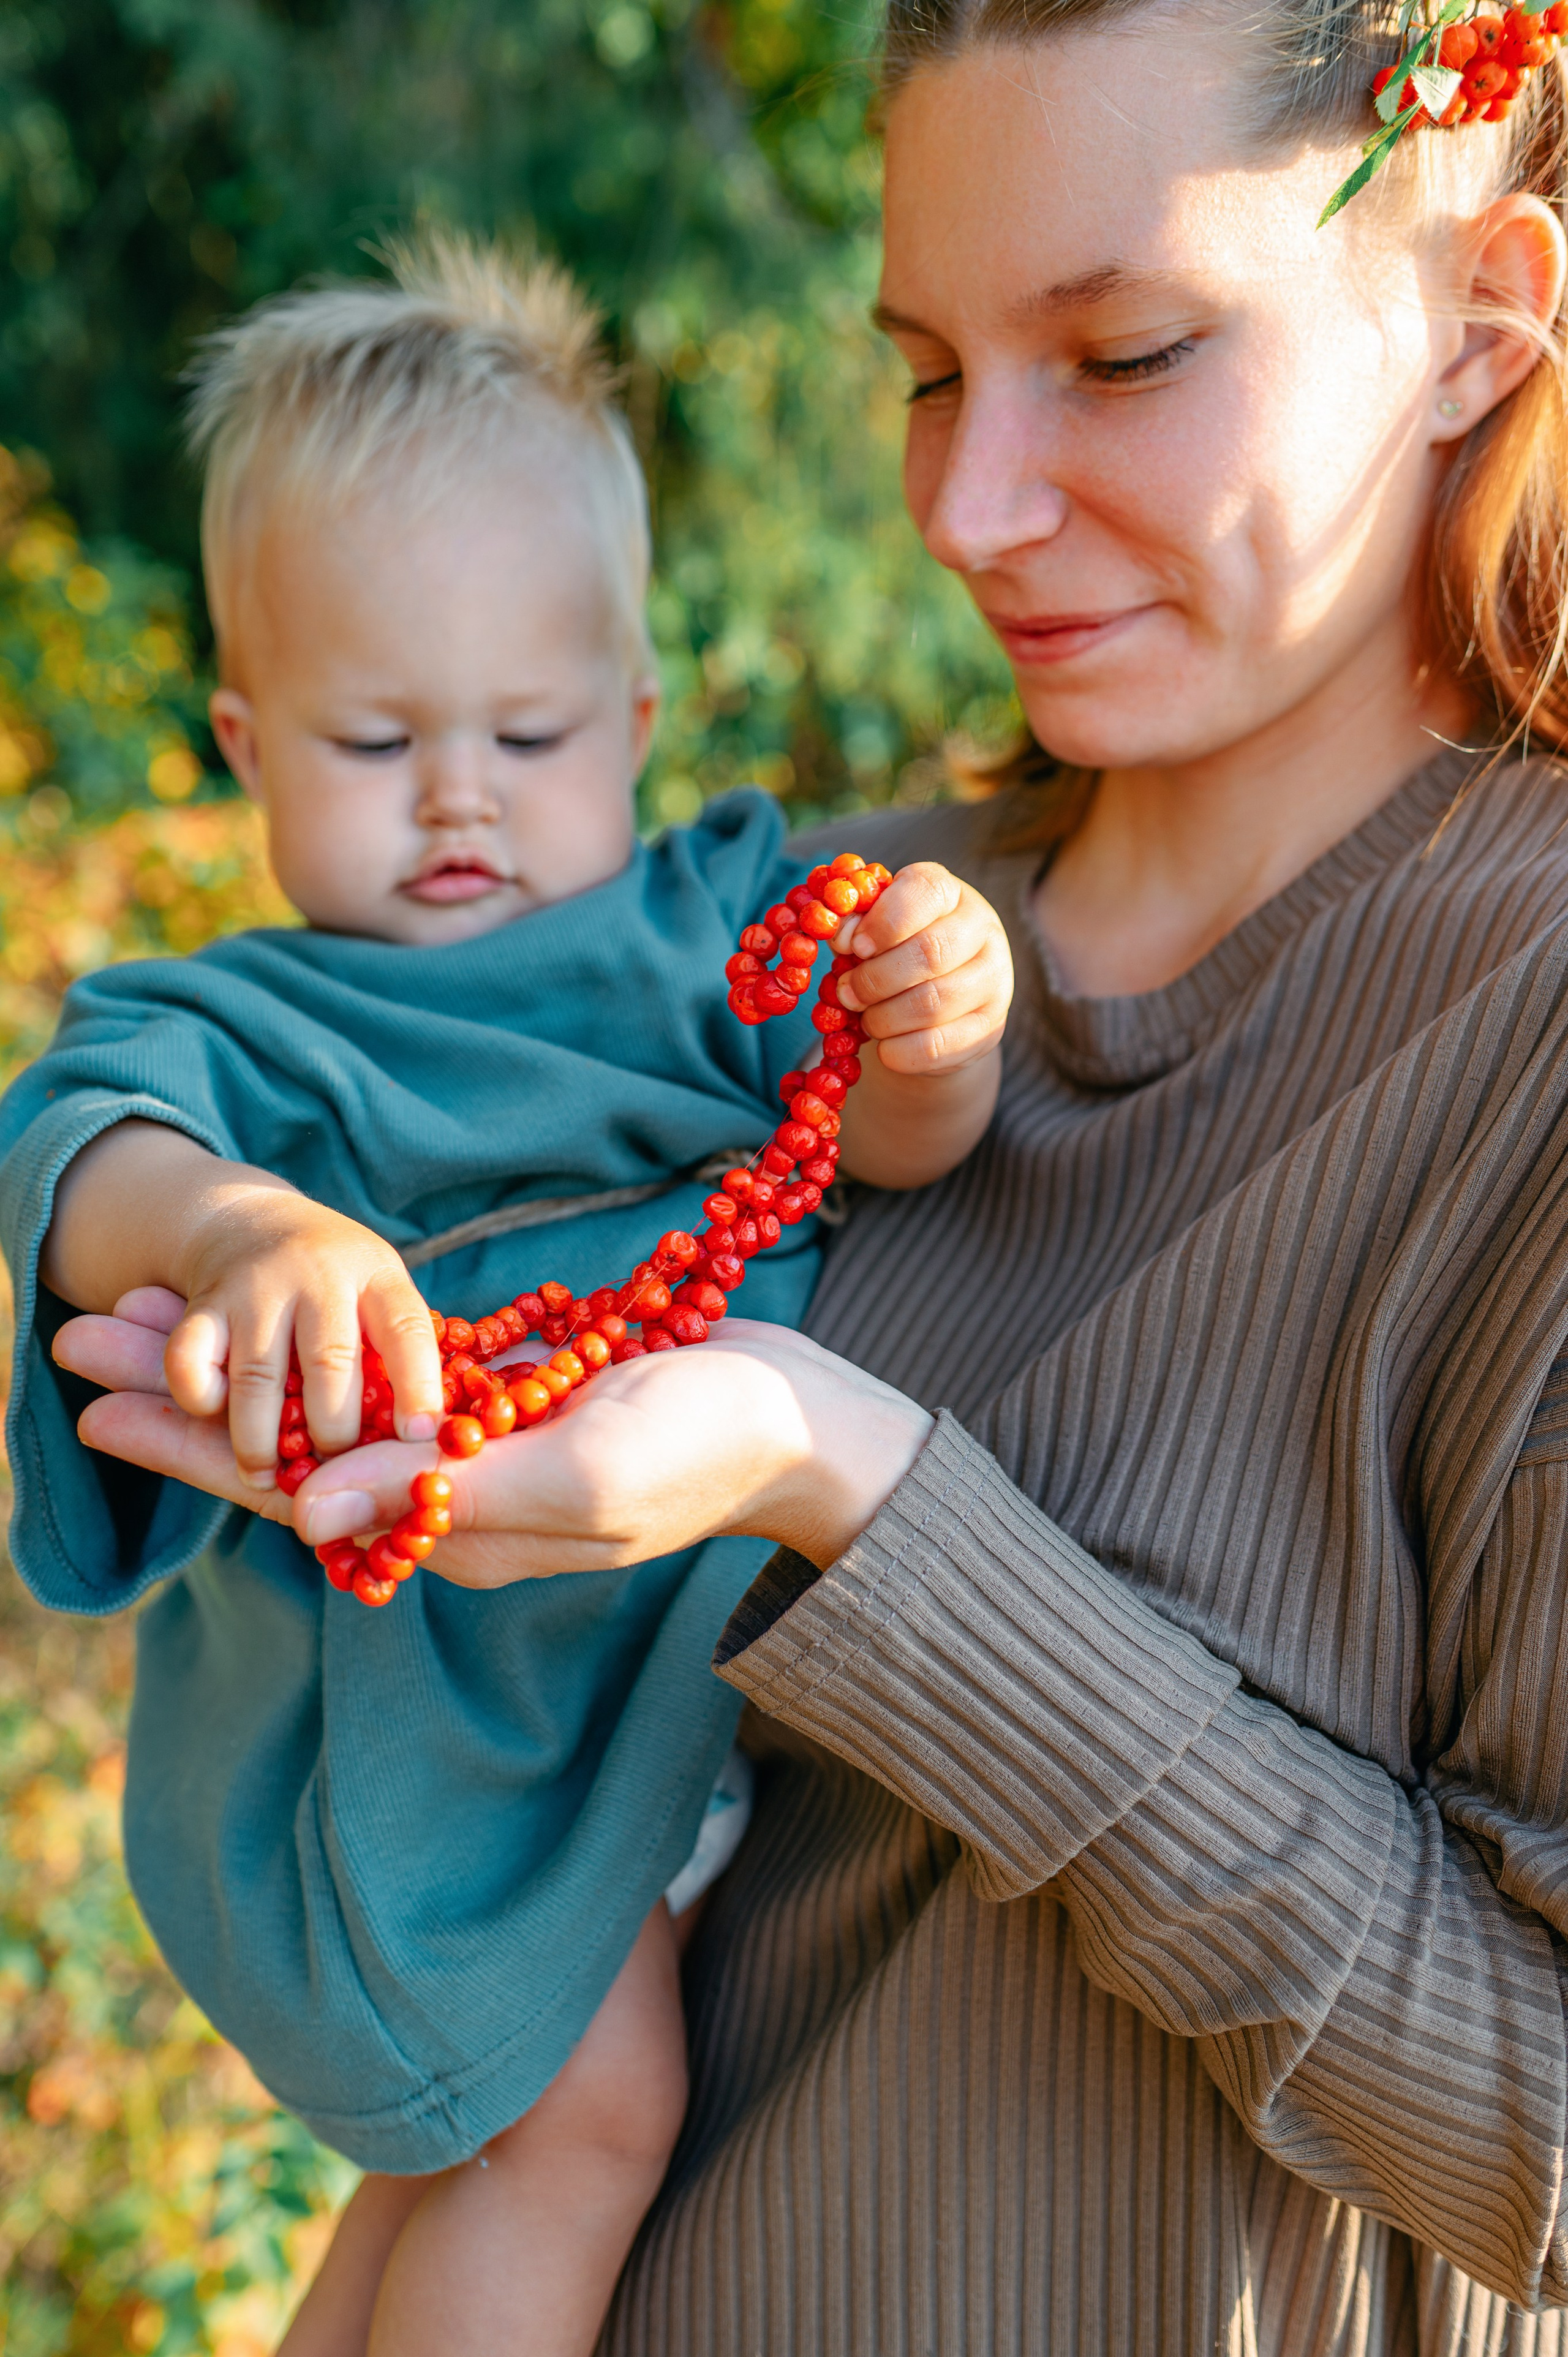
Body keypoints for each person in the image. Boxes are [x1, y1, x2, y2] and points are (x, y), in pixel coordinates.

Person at [40, 0, 1568, 2348]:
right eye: (929, 370)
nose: (964, 510)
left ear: (1487, 326)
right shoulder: (771, 959)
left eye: (1128, 351)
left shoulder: (1524, 1050)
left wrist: (839, 1480)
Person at [0, 235, 1016, 2356]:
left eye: (531, 733)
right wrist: (235, 1233)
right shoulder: (252, 1027)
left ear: (635, 719)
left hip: (633, 1677)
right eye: (375, 740)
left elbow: (879, 1143)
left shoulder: (713, 921)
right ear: (243, 741)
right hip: (419, 1714)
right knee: (584, 2116)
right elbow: (77, 1155)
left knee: (457, 2162)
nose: (461, 797)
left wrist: (934, 1035)